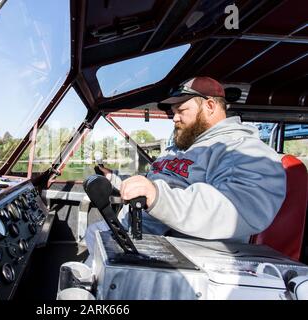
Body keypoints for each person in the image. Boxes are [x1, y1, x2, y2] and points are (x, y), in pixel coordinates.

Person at [84, 76, 286, 264]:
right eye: (173, 112)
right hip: (132, 233)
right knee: (92, 235)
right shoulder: (181, 149)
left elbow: (241, 207)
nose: (174, 118)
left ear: (210, 106)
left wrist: (158, 198)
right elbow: (156, 183)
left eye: (181, 110)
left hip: (178, 256)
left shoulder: (241, 149)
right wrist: (116, 180)